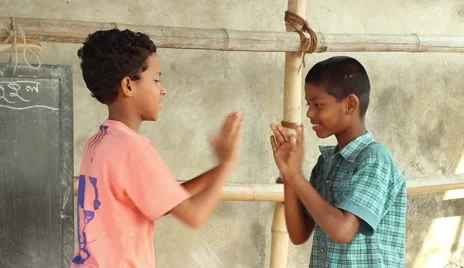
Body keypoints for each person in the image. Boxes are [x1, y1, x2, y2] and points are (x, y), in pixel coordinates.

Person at [71, 28, 243, 268]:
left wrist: (216, 170)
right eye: (156, 79)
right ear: (128, 86)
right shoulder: (132, 148)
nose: (163, 89)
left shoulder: (99, 142)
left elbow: (166, 200)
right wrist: (228, 163)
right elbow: (194, 215)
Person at [269, 56, 407, 267]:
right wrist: (289, 176)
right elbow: (299, 234)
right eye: (308, 104)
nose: (309, 113)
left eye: (318, 104)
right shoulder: (325, 164)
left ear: (350, 104)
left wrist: (296, 177)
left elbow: (343, 231)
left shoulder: (374, 159)